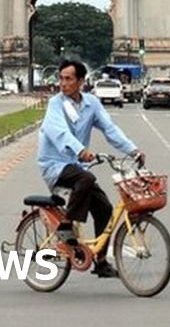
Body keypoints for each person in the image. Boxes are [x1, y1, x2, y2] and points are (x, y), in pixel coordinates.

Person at [37, 59, 145, 279]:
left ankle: (101, 261)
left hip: (76, 167)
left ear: (81, 82)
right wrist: (80, 150)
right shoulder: (55, 104)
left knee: (105, 208)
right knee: (86, 178)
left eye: (68, 79)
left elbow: (110, 129)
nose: (63, 83)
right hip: (55, 165)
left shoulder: (92, 104)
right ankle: (66, 227)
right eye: (61, 78)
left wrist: (133, 150)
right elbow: (59, 133)